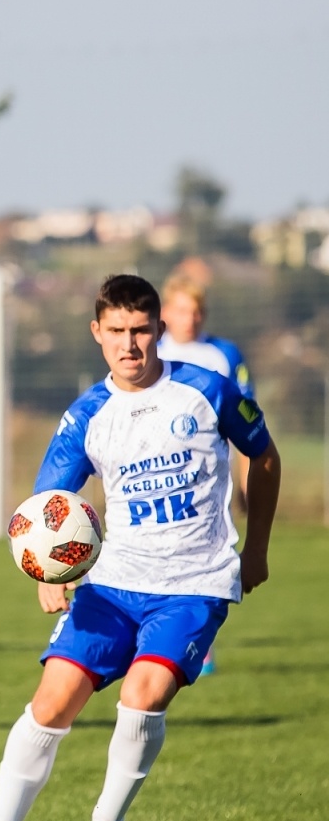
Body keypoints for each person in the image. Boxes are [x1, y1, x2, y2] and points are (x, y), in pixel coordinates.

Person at [0, 274, 279, 821]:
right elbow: (47, 506)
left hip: (193, 580)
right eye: (116, 332)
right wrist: (45, 575)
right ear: (96, 334)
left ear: (158, 329)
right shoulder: (86, 416)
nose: (129, 344)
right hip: (112, 582)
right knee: (52, 702)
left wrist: (258, 547)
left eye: (140, 330)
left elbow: (264, 456)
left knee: (145, 693)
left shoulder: (208, 390)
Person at [158, 273, 256, 676]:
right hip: (161, 477)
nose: (190, 318)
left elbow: (251, 427)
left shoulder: (224, 355)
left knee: (207, 554)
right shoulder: (150, 351)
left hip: (212, 478)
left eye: (197, 311)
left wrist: (248, 485)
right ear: (165, 313)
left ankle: (200, 644)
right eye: (182, 310)